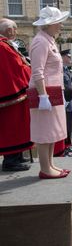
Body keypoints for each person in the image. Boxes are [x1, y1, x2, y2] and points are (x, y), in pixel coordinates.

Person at [29, 7, 70, 179]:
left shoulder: (49, 40)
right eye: (58, 22)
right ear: (49, 24)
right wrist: (43, 95)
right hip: (44, 92)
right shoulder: (41, 41)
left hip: (53, 91)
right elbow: (37, 71)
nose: (60, 25)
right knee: (44, 131)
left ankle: (50, 164)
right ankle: (45, 168)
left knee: (53, 131)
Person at [0, 18, 33, 171]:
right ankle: (11, 160)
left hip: (16, 93)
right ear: (8, 30)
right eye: (15, 28)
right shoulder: (3, 46)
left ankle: (17, 156)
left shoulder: (5, 45)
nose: (16, 31)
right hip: (12, 94)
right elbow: (15, 69)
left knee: (19, 127)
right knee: (13, 128)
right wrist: (30, 72)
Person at [61, 49, 72, 155]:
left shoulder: (66, 70)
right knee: (65, 126)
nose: (70, 59)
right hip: (65, 102)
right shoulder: (60, 70)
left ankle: (68, 145)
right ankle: (64, 147)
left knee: (69, 126)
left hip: (69, 102)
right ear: (62, 57)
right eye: (68, 57)